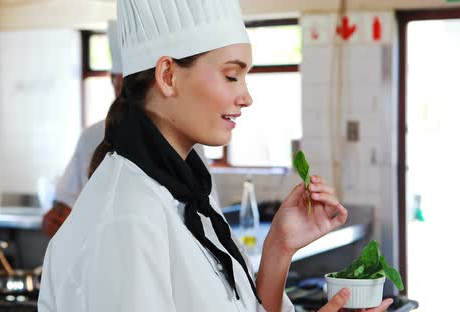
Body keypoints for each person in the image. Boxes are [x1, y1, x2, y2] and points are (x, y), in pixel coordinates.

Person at [38, 1, 393, 311]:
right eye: (231, 75)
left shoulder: (189, 193)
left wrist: (278, 249)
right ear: (167, 75)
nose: (246, 97)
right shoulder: (126, 219)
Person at [41, 20, 220, 237]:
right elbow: (65, 207)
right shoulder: (92, 137)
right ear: (112, 81)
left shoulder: (181, 135)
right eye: (123, 84)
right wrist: (56, 218)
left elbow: (207, 215)